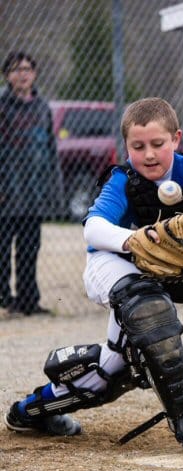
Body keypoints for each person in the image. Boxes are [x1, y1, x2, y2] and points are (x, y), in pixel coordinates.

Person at [4, 97, 183, 456]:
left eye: (158, 144)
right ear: (126, 146)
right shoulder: (124, 179)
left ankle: (30, 411)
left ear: (176, 138)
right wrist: (134, 241)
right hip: (109, 264)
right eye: (137, 146)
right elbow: (94, 229)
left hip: (148, 279)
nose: (148, 154)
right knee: (148, 306)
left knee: (114, 369)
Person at [0, 51, 62, 315]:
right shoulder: (2, 107)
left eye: (27, 69)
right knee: (2, 251)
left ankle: (28, 301)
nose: (22, 74)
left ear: (34, 74)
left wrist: (52, 189)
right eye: (16, 69)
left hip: (33, 193)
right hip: (6, 192)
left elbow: (49, 150)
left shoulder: (41, 108)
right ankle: (4, 300)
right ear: (7, 76)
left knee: (29, 249)